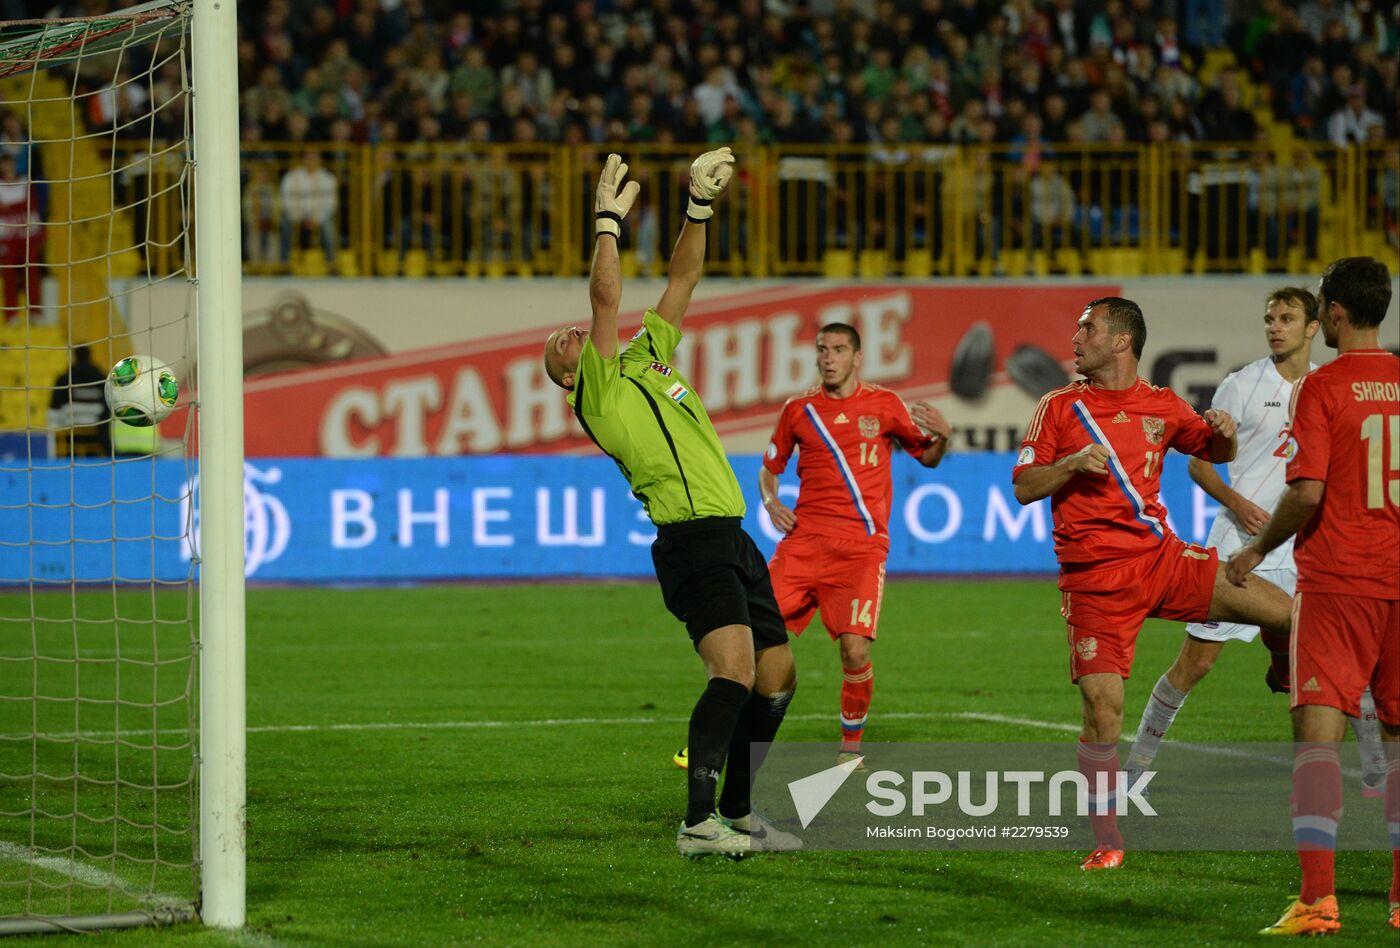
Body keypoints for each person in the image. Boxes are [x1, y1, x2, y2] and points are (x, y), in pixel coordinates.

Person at [542, 148, 801, 858]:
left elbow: (684, 275)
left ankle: (741, 812)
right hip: (689, 540)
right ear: (568, 379)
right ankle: (697, 823)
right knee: (734, 673)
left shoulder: (647, 357)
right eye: (557, 348)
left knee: (777, 679)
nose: (567, 337)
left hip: (734, 535)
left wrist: (697, 205)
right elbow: (603, 300)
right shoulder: (596, 391)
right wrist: (605, 223)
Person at [1012, 296, 1295, 872]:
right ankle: (1108, 839)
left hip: (1163, 561)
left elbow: (1215, 450)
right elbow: (1023, 486)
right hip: (1094, 582)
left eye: (1087, 329)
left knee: (1290, 614)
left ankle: (1283, 666)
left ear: (1121, 341)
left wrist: (1224, 431)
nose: (1075, 338)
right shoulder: (1058, 406)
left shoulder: (1161, 404)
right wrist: (1070, 465)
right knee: (1104, 708)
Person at [1125, 287, 1388, 795]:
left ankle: (1376, 764)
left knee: (1337, 655)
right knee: (1196, 662)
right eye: (1269, 318)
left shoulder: (1327, 387)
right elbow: (1201, 463)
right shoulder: (1242, 385)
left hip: (1302, 547)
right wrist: (1239, 502)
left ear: (1314, 327)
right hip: (1236, 546)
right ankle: (1136, 766)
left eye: (1287, 318)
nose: (1274, 327)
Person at [1226, 257, 1399, 936]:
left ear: (1332, 313)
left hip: (1340, 580)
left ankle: (1318, 900)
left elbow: (1307, 493)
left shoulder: (1323, 387)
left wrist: (1255, 550)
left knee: (1318, 733)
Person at [760, 323, 951, 766]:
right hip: (803, 543)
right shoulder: (798, 409)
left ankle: (850, 750)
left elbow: (926, 457)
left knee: (855, 649)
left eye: (838, 350)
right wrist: (771, 501)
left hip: (861, 549)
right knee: (751, 632)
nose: (828, 357)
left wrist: (943, 436)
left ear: (856, 358)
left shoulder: (884, 405)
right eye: (822, 349)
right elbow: (770, 465)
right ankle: (724, 729)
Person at [47, 345, 110, 458]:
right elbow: (108, 404)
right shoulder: (101, 377)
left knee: (71, 453)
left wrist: (54, 427)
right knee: (94, 454)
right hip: (96, 427)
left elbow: (54, 406)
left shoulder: (64, 378)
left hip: (71, 427)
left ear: (74, 356)